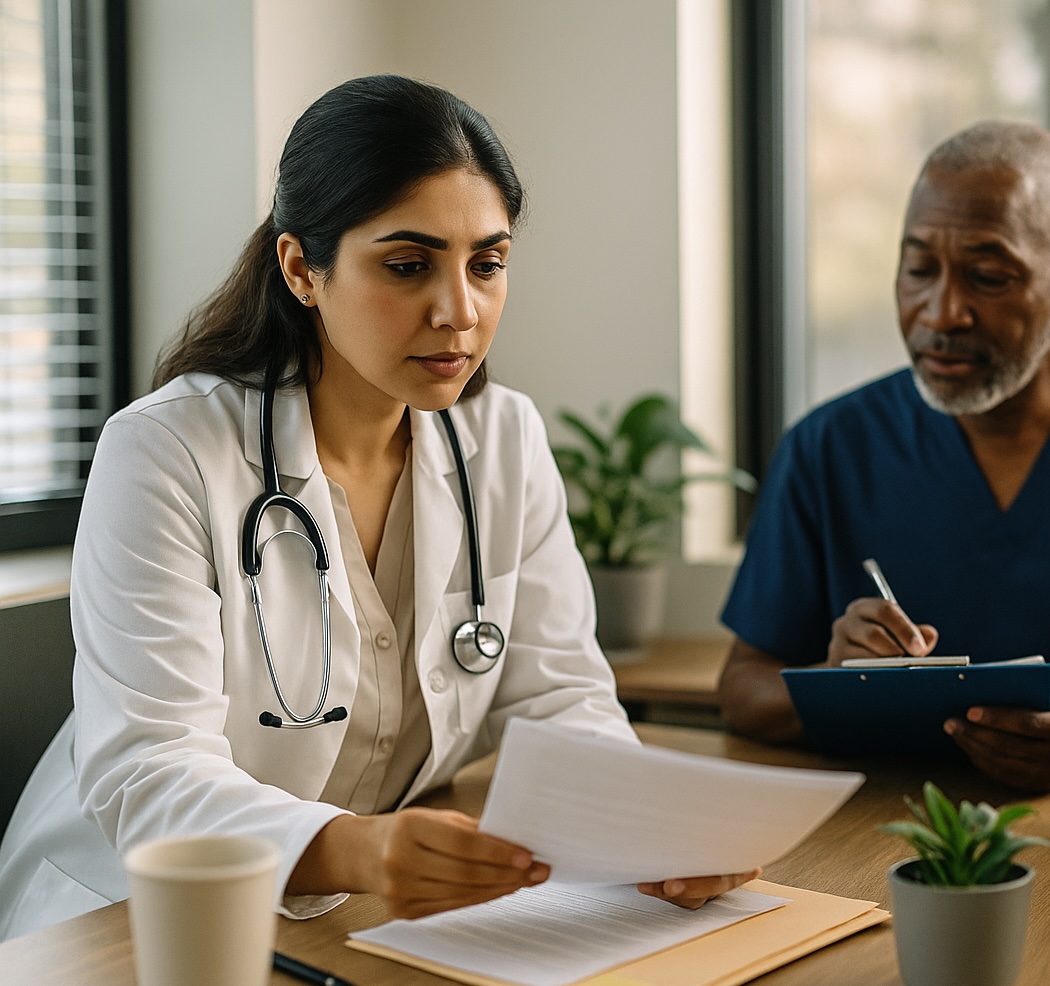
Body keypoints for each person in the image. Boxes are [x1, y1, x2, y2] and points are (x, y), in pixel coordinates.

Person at [0, 75, 754, 942]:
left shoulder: (502, 438)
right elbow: (150, 771)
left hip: (348, 921)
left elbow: (560, 702)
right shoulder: (166, 451)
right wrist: (361, 850)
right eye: (407, 266)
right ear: (301, 269)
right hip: (122, 917)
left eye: (487, 264)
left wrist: (651, 827)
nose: (459, 311)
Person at [718, 121, 1050, 793]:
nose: (941, 313)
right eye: (918, 270)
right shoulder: (829, 448)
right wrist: (838, 685)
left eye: (988, 277)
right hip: (878, 824)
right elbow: (743, 687)